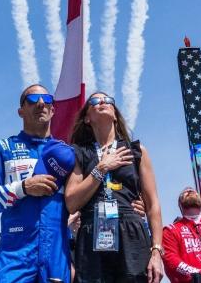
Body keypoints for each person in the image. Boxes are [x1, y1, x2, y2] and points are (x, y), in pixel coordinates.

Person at [0, 84, 71, 282]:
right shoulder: (3, 148)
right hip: (15, 253)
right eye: (33, 99)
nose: (41, 103)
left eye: (47, 99)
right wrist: (23, 188)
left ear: (53, 110)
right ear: (21, 111)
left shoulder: (67, 154)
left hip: (56, 254)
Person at [65, 92, 164, 283]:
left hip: (131, 231)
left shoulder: (136, 151)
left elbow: (153, 205)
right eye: (94, 101)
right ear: (87, 118)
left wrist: (157, 252)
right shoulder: (78, 153)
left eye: (108, 100)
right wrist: (102, 168)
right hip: (91, 232)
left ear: (116, 115)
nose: (102, 102)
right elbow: (71, 202)